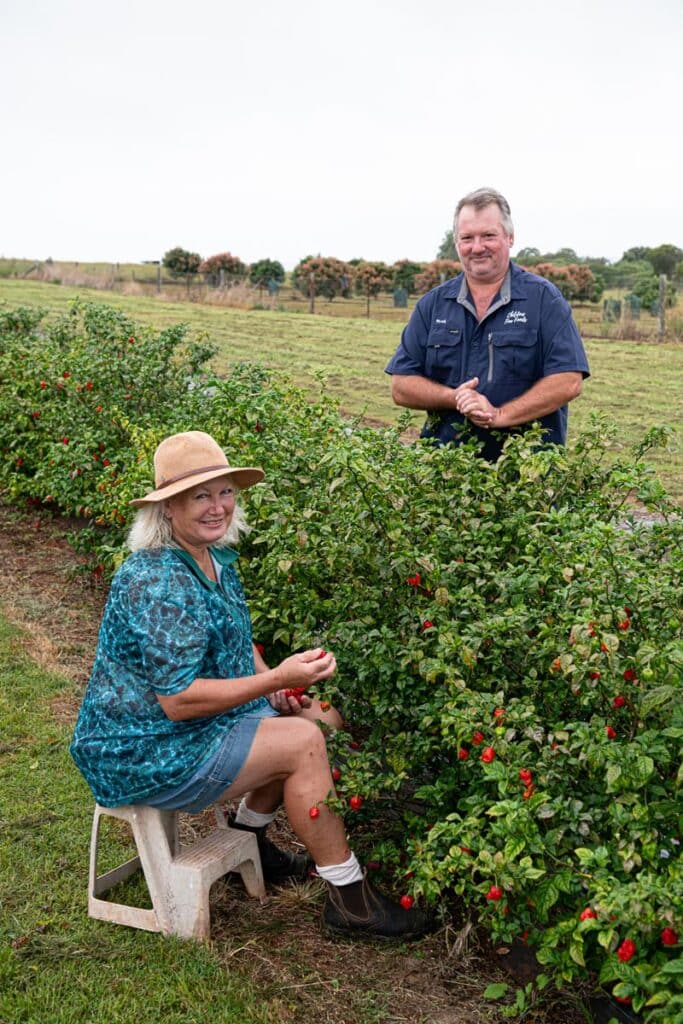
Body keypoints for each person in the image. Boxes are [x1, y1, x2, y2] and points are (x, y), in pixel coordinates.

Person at [70, 430, 430, 939]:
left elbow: (241, 646)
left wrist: (274, 685)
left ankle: (250, 838)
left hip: (191, 724)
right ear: (168, 508)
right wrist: (278, 679)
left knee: (319, 717)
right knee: (302, 742)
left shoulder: (213, 559)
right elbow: (179, 701)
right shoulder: (156, 579)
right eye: (200, 496)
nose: (218, 507)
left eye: (225, 492)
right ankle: (350, 900)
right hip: (141, 746)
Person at [385, 187, 590, 461]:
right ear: (457, 244)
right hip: (444, 474)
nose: (477, 247)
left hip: (525, 475)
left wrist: (499, 415)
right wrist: (454, 397)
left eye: (488, 236)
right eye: (467, 238)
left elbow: (568, 381)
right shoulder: (433, 304)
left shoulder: (543, 299)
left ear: (510, 237)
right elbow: (401, 385)